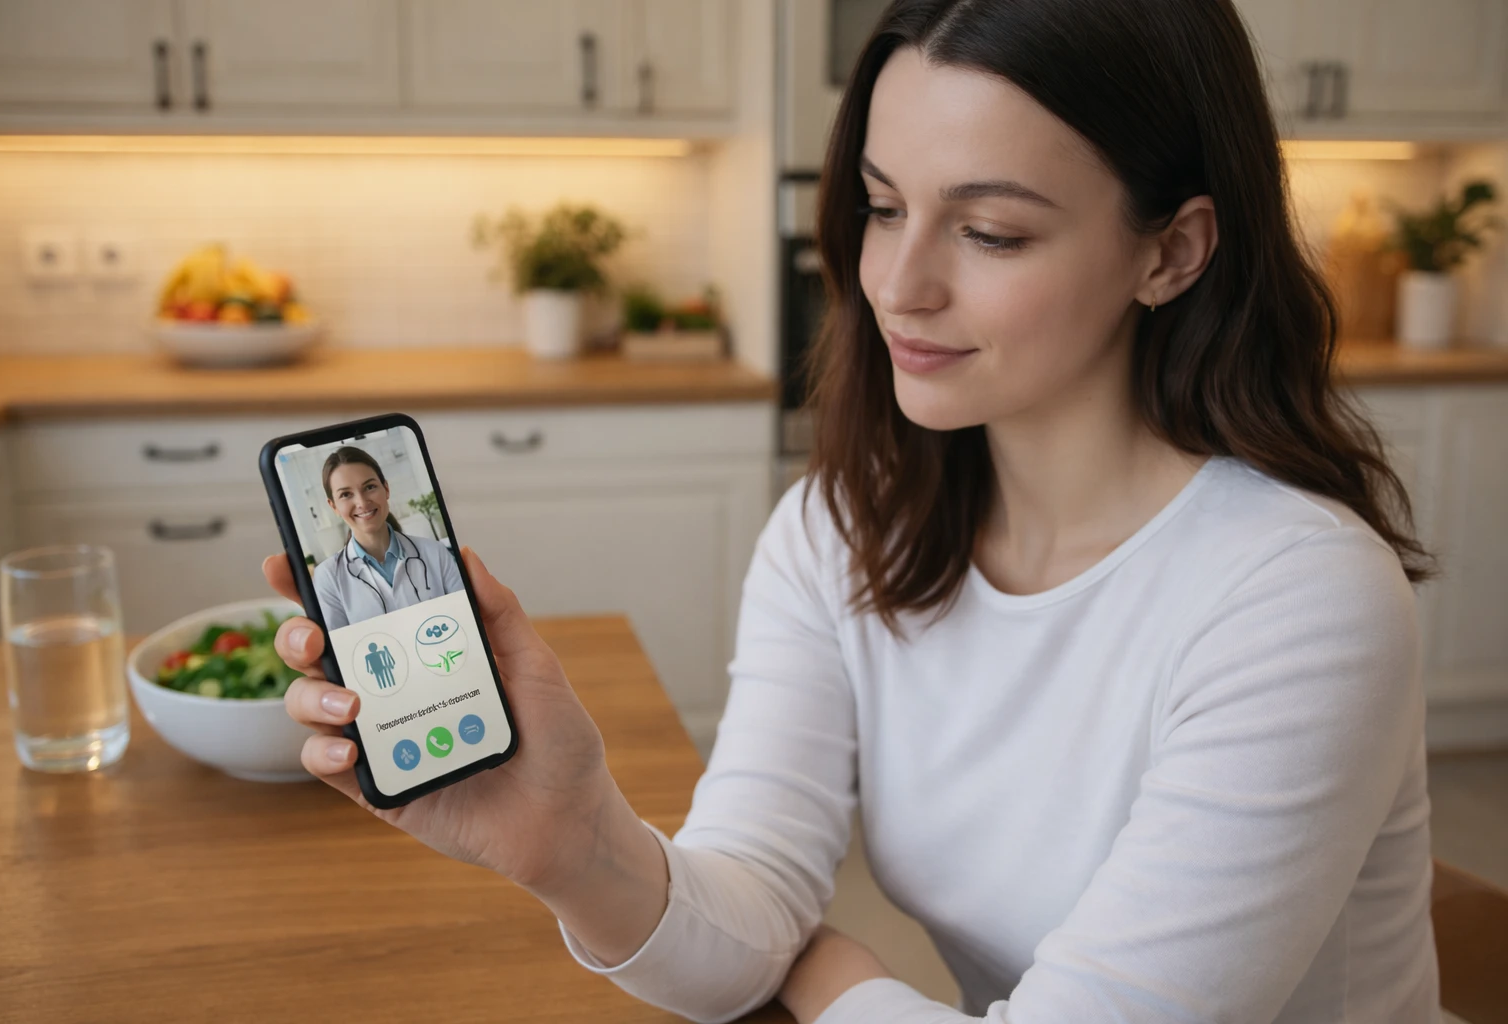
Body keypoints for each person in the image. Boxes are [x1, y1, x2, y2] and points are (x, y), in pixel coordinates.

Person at [264, 0, 1441, 1020]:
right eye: (883, 207)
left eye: (991, 231)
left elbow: (787, 958)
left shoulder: (1293, 597)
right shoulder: (845, 530)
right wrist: (572, 842)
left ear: (1172, 251)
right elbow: (748, 921)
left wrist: (829, 979)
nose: (899, 283)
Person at [310, 446, 465, 631]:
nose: (361, 502)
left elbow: (467, 623)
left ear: (386, 489)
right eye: (346, 494)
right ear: (333, 506)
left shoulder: (435, 553)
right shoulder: (327, 577)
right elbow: (339, 652)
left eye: (369, 487)